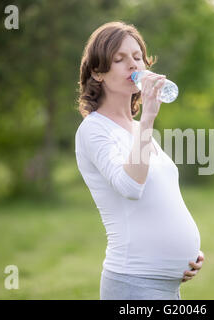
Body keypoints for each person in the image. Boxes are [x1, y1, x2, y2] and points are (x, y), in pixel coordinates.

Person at [75, 21, 204, 300]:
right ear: (98, 73)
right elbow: (131, 187)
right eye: (119, 60)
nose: (133, 65)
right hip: (134, 285)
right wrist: (148, 118)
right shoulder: (93, 130)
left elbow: (161, 198)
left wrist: (187, 253)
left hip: (167, 286)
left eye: (137, 57)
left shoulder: (135, 129)